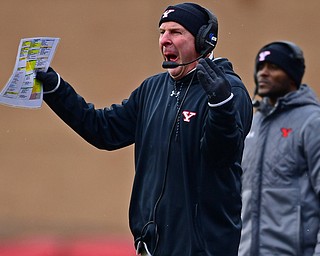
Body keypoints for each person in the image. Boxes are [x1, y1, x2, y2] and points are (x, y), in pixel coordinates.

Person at [36, 3, 253, 256]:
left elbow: (221, 157)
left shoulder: (229, 92)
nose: (165, 40)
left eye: (176, 32)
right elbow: (103, 130)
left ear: (204, 41)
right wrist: (55, 88)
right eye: (162, 32)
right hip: (150, 247)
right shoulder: (152, 89)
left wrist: (221, 106)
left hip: (201, 250)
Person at [238, 41, 320, 256]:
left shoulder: (313, 122)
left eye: (273, 67)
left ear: (292, 75)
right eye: (260, 67)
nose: (262, 73)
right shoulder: (253, 124)